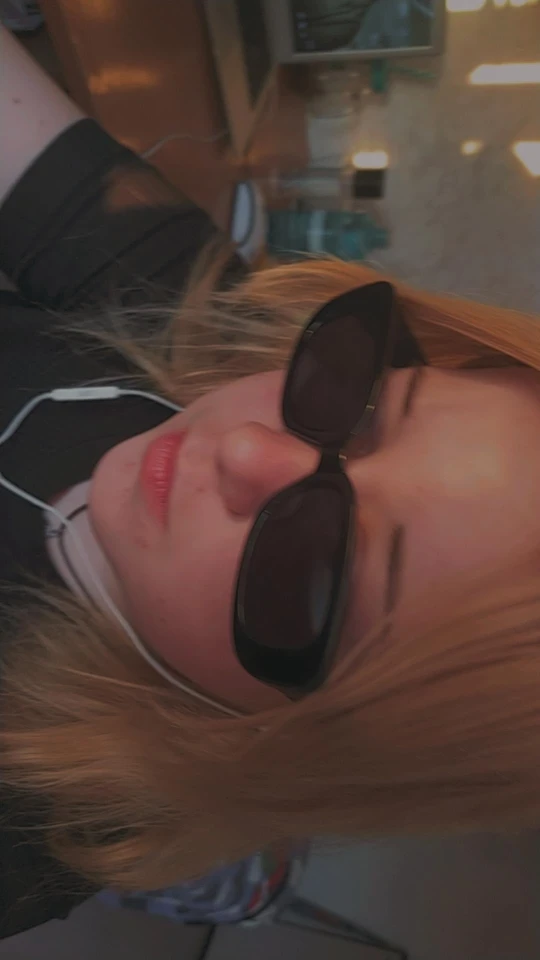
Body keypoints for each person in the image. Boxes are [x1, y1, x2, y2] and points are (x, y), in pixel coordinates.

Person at [2, 23, 540, 941]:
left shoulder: (37, 825)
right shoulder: (200, 329)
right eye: (363, 397)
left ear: (295, 744)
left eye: (315, 566)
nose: (250, 451)